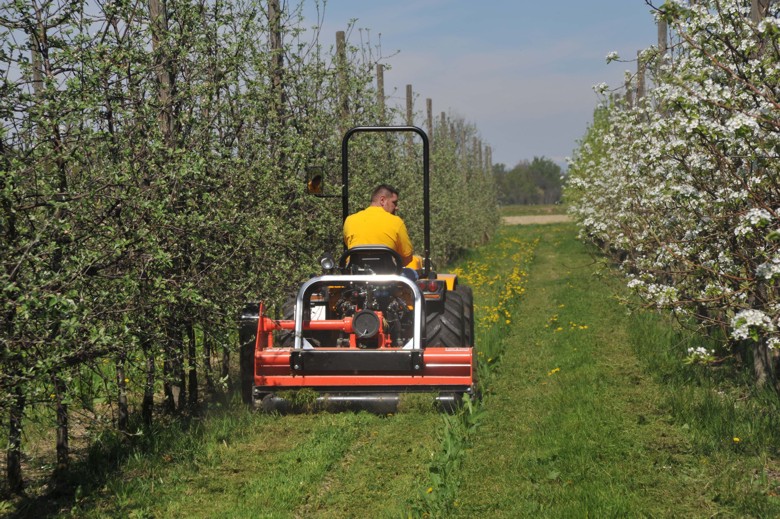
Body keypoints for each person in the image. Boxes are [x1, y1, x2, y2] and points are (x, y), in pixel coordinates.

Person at [343, 184, 414, 267]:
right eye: (394, 202)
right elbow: (407, 257)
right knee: (411, 272)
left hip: (357, 274)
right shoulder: (396, 222)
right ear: (382, 200)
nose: (396, 207)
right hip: (387, 274)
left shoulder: (350, 220)